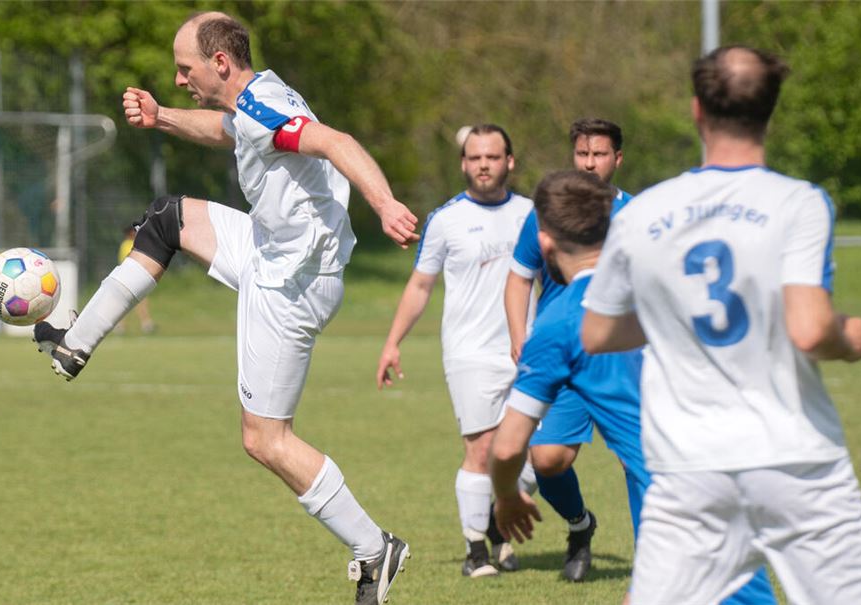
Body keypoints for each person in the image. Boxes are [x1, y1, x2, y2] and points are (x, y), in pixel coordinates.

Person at [33, 12, 417, 605]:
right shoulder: (257, 96)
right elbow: (228, 129)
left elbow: (334, 142)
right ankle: (73, 341)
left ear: (219, 62)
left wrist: (386, 203)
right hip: (273, 250)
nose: (180, 78)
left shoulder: (265, 110)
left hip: (292, 283)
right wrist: (162, 116)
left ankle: (373, 548)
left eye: (185, 68)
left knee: (265, 440)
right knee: (168, 220)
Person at [580, 46, 861, 604]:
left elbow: (598, 333)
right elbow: (812, 330)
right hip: (796, 459)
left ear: (698, 111)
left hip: (689, 466)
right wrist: (852, 336)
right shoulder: (800, 202)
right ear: (771, 112)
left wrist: (673, 319)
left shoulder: (643, 212)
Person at [489, 169, 775, 604]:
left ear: (544, 241)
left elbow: (509, 447)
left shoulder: (558, 325)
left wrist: (508, 496)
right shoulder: (670, 284)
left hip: (679, 495)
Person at [376, 124, 538, 578]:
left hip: (529, 351)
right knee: (482, 451)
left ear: (509, 162)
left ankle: (497, 525)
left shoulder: (533, 213)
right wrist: (392, 343)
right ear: (464, 164)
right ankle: (477, 552)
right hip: (470, 353)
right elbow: (421, 285)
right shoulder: (445, 219)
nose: (483, 164)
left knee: (537, 455)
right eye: (475, 157)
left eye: (492, 156)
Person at [501, 118, 631, 581]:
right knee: (548, 459)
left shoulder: (636, 216)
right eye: (582, 154)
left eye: (599, 154)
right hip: (564, 353)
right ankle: (580, 525)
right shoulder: (548, 213)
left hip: (623, 354)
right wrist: (520, 335)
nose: (590, 163)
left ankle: (659, 558)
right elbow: (518, 278)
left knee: (635, 457)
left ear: (618, 158)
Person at [116, 225, 156, 334]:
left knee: (141, 301)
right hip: (129, 276)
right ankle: (121, 325)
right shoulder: (127, 245)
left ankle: (146, 323)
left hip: (137, 276)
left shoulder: (137, 243)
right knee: (126, 301)